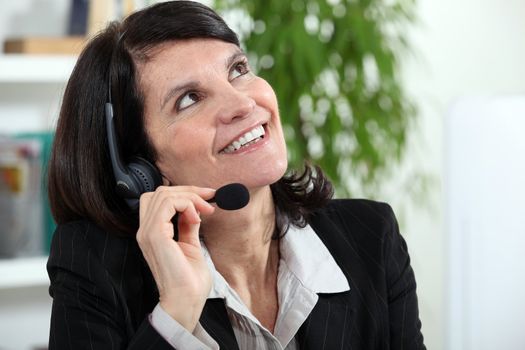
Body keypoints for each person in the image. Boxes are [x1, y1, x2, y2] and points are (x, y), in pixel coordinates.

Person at [46, 1, 426, 349]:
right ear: (139, 167)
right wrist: (175, 313)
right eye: (189, 99)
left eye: (237, 70)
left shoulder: (372, 237)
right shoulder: (94, 266)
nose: (243, 103)